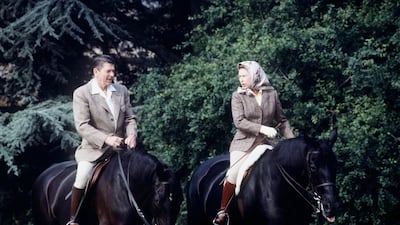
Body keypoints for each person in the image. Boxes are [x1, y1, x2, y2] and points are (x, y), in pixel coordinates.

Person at [213, 61, 295, 225]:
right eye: (240, 77)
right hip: (244, 144)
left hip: (268, 143)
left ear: (255, 75)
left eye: (244, 76)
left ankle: (299, 206)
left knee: (290, 168)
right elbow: (240, 122)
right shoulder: (238, 96)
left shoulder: (271, 93)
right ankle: (223, 211)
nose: (241, 80)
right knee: (234, 173)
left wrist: (292, 142)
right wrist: (263, 129)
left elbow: (283, 120)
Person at [68, 55, 138, 225]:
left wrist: (132, 134)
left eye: (113, 71)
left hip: (122, 149)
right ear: (96, 72)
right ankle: (73, 219)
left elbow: (130, 118)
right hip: (94, 150)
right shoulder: (82, 93)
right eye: (108, 71)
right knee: (82, 176)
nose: (112, 74)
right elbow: (83, 126)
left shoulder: (121, 90)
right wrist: (106, 139)